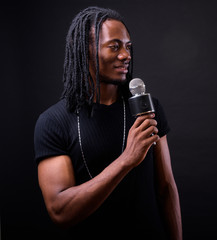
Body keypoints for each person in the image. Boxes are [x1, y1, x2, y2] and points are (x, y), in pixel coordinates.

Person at [34, 6, 182, 240]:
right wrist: (126, 160)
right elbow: (59, 211)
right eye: (115, 46)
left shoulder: (146, 108)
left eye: (128, 47)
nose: (126, 55)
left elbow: (166, 189)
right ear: (85, 51)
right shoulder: (54, 122)